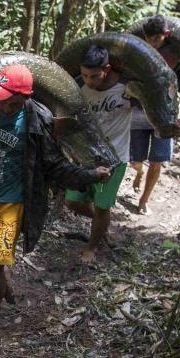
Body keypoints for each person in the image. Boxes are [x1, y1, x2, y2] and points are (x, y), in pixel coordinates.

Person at [0, 64, 111, 343]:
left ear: (24, 97)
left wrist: (89, 175)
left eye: (8, 100)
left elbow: (55, 165)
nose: (2, 103)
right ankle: (1, 283)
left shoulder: (38, 121)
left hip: (10, 205)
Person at [64, 45, 132, 262]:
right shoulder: (79, 87)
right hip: (86, 157)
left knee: (103, 206)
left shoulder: (126, 88)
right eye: (84, 75)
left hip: (115, 158)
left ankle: (92, 247)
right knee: (72, 202)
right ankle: (101, 225)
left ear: (107, 68)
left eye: (94, 76)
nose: (89, 81)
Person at [130, 16, 180, 215]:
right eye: (149, 39)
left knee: (157, 160)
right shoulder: (137, 52)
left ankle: (144, 200)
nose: (152, 44)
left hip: (165, 116)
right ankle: (138, 174)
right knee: (135, 161)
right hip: (138, 112)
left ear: (166, 35)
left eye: (156, 40)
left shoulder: (175, 54)